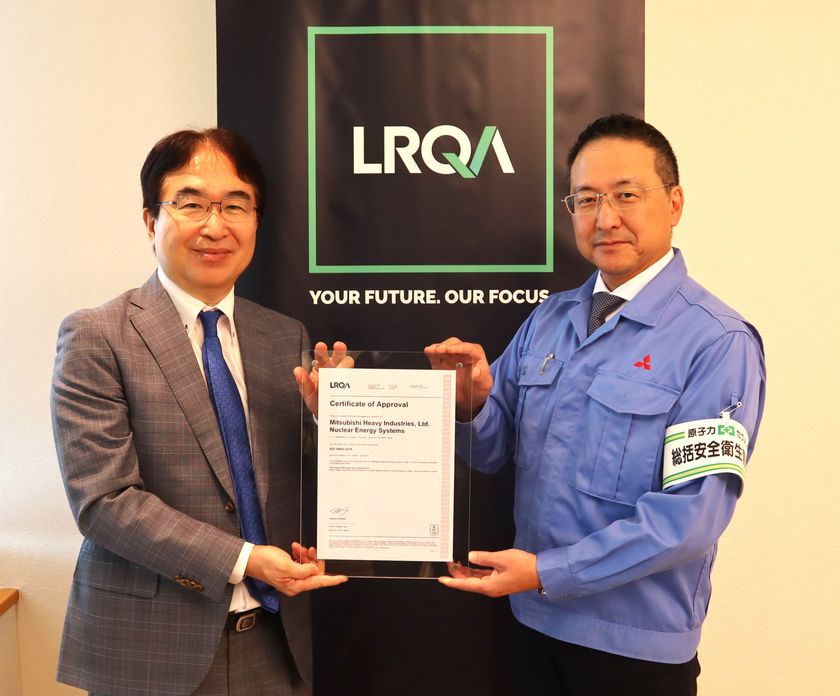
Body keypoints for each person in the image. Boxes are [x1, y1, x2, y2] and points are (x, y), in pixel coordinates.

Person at [425, 114, 766, 695]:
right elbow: (490, 452)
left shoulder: (717, 341)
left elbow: (693, 516)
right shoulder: (550, 318)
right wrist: (471, 404)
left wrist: (548, 571)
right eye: (586, 199)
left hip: (634, 649)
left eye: (626, 195)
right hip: (532, 624)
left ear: (675, 202)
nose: (605, 218)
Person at [51, 128, 348, 696]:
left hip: (275, 641)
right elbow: (104, 502)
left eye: (235, 205)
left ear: (256, 221)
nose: (216, 226)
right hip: (151, 647)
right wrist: (245, 560)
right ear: (150, 221)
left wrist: (331, 422)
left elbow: (299, 480)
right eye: (191, 204)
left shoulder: (284, 336)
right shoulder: (97, 335)